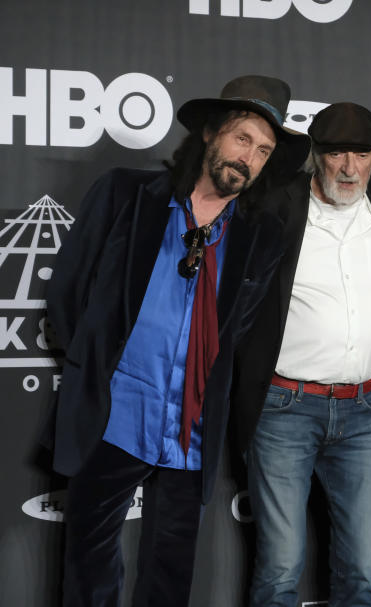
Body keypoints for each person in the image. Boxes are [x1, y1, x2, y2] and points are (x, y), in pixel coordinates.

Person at [44, 75, 310, 607]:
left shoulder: (262, 238)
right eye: (242, 139)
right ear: (210, 133)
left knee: (171, 571)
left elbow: (243, 330)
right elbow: (70, 296)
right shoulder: (126, 194)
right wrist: (99, 369)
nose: (249, 158)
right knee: (89, 562)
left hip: (191, 426)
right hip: (113, 414)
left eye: (262, 151)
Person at [230, 102, 371, 607]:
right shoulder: (276, 204)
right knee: (280, 566)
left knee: (361, 567)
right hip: (284, 408)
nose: (349, 167)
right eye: (336, 153)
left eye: (362, 154)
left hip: (365, 410)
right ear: (315, 154)